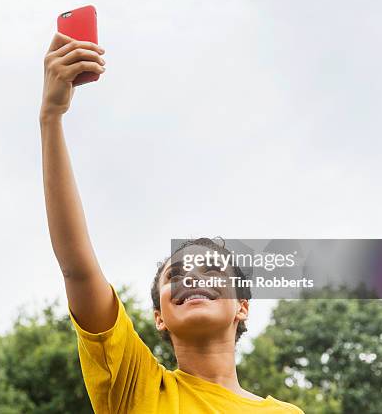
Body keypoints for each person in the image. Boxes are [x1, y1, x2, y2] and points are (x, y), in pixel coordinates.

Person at [39, 32, 304, 413]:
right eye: (175, 275)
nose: (192, 278)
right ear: (159, 317)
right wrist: (51, 117)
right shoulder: (134, 386)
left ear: (242, 306)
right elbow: (77, 269)